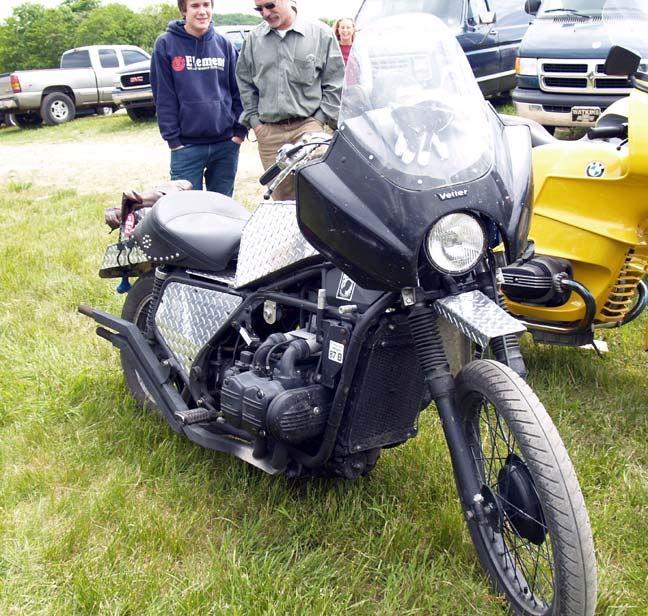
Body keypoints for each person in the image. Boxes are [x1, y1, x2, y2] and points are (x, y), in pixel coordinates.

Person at [235, 0, 345, 201]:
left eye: (270, 5)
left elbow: (335, 82)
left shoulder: (321, 34)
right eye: (259, 9)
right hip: (269, 134)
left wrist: (319, 120)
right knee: (282, 201)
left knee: (318, 196)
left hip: (308, 128)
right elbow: (244, 83)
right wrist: (256, 123)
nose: (265, 13)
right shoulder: (253, 40)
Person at [150, 0, 247, 196]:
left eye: (206, 5)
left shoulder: (224, 45)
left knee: (221, 208)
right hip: (186, 147)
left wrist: (239, 132)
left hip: (226, 144)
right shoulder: (165, 44)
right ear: (183, 10)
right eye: (195, 6)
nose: (202, 11)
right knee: (186, 213)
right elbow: (164, 96)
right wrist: (174, 141)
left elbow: (239, 92)